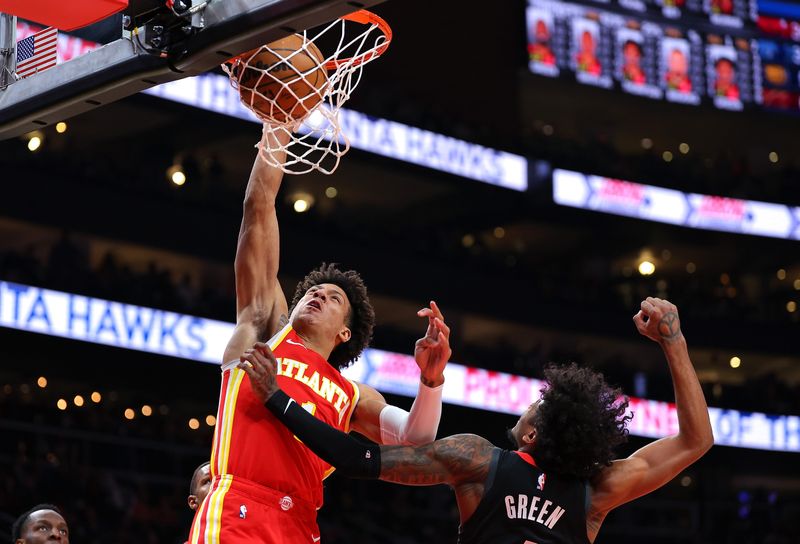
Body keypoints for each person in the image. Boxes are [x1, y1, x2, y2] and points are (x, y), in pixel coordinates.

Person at [242, 297, 713, 543]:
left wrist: (278, 400)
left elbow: (355, 456)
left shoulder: (478, 459)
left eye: (537, 402)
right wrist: (675, 345)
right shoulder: (600, 490)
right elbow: (696, 440)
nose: (529, 403)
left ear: (532, 431)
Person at [188, 125, 451, 544]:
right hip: (239, 508)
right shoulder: (264, 329)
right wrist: (278, 127)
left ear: (345, 332)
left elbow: (416, 440)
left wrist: (431, 380)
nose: (316, 295)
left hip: (300, 525)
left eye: (332, 298)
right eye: (313, 290)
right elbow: (258, 208)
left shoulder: (352, 395)